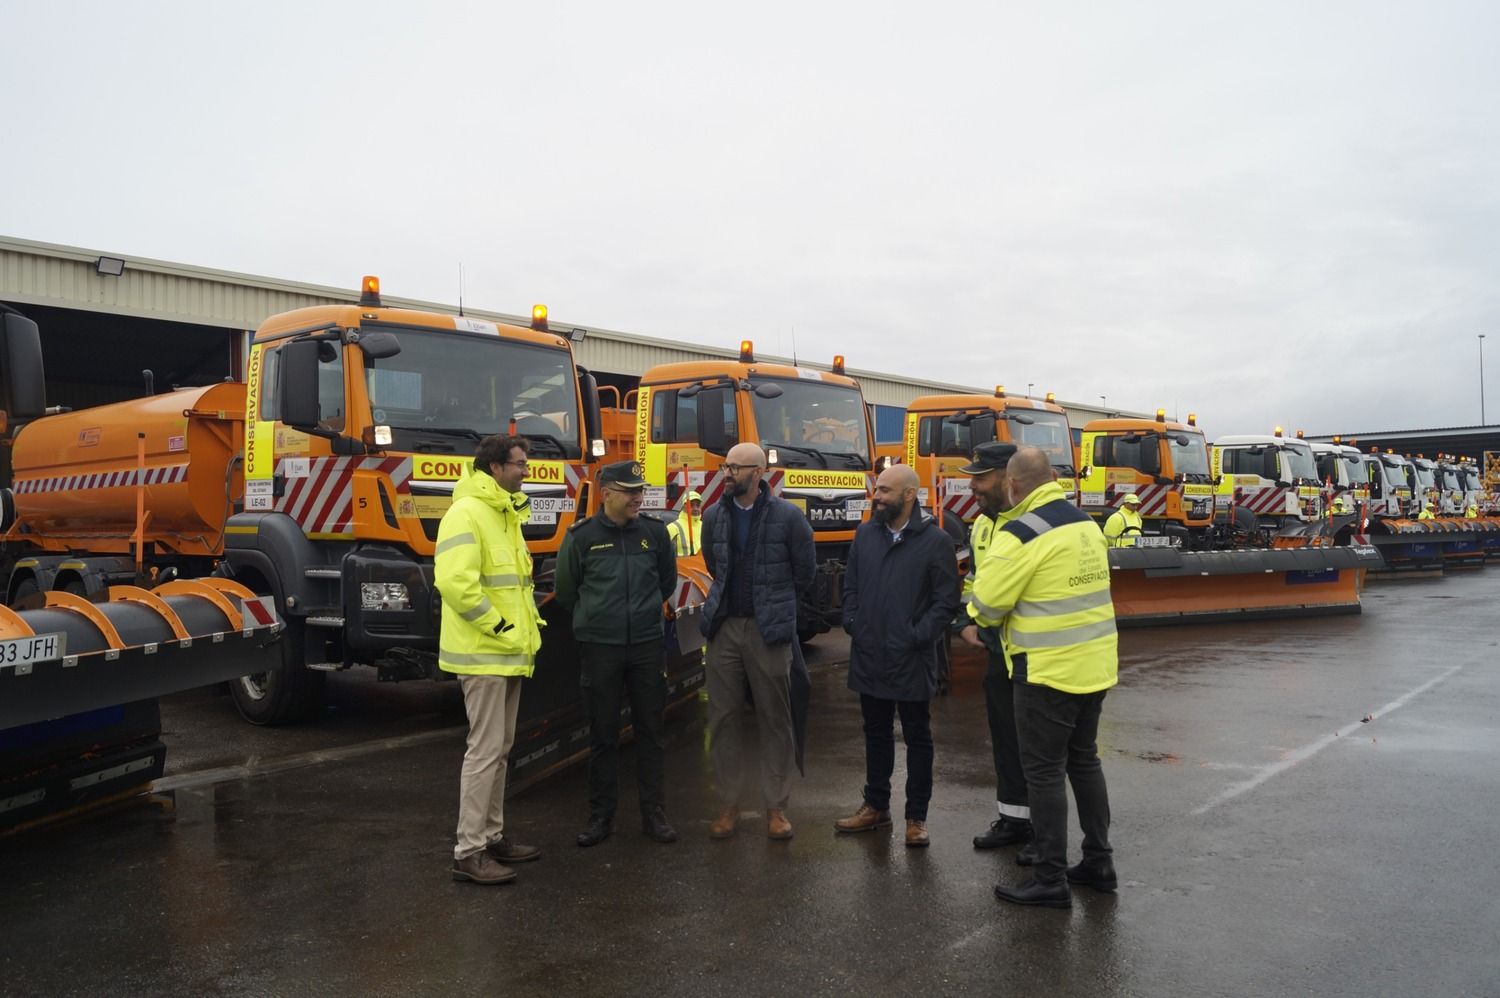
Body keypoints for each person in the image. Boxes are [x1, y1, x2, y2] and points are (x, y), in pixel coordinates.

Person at [969, 447, 1119, 909]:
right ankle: (1098, 860)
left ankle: (1050, 876)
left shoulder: (1020, 533)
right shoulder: (1084, 523)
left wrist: (974, 616)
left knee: (1044, 773)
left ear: (1013, 485)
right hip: (1095, 665)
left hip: (1046, 671)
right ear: (1051, 477)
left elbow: (987, 605)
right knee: (1084, 762)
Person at [435, 434, 544, 885]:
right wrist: (501, 628)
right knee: (484, 753)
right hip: (484, 654)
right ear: (495, 468)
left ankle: (492, 836)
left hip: (507, 654)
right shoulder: (468, 512)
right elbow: (456, 583)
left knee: (499, 751)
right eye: (519, 464)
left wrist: (523, 631)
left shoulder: (503, 512)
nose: (525, 471)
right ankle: (469, 851)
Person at [556, 460, 679, 848]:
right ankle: (601, 817)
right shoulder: (581, 537)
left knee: (651, 734)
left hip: (645, 646)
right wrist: (600, 620)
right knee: (603, 736)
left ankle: (654, 814)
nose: (637, 497)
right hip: (600, 648)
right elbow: (566, 591)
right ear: (606, 493)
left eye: (639, 490)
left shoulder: (655, 534)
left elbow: (666, 582)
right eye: (629, 491)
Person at [835, 463, 960, 846]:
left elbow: (946, 601)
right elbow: (851, 584)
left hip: (912, 656)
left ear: (909, 495)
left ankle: (916, 818)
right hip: (870, 651)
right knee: (875, 732)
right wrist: (853, 620)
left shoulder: (935, 541)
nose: (877, 496)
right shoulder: (865, 534)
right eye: (878, 489)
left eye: (886, 490)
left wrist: (918, 635)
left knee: (918, 735)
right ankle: (875, 808)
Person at [700, 443, 816, 840]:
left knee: (775, 718)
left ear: (758, 472)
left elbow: (805, 571)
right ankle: (729, 805)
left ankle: (776, 809)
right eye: (726, 466)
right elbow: (714, 565)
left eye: (735, 468)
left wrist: (776, 605)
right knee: (724, 719)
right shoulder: (713, 516)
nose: (727, 474)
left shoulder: (788, 517)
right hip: (725, 627)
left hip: (769, 630)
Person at [956, 442, 1033, 855]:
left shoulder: (1033, 523)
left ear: (1008, 478)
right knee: (1004, 740)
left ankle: (1044, 830)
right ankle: (1014, 820)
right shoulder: (983, 525)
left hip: (1033, 656)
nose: (972, 487)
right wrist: (968, 620)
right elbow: (975, 584)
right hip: (998, 654)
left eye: (980, 478)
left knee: (1036, 749)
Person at [665, 490, 704, 556]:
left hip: (702, 565)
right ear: (683, 507)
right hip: (681, 565)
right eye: (691, 505)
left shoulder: (705, 526)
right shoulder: (673, 528)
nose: (695, 509)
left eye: (698, 505)